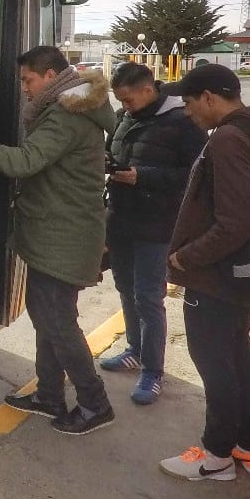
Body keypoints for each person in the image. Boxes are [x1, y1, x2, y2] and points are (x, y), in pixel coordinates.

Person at [0, 45, 116, 434]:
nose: (25, 89)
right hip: (54, 233)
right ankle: (49, 395)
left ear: (50, 77)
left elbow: (24, 161)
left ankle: (95, 403)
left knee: (59, 323)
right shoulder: (63, 109)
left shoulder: (67, 116)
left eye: (28, 80)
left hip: (64, 237)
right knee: (46, 317)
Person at [159, 64, 250, 481]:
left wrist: (185, 258)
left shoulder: (229, 139)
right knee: (239, 358)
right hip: (243, 270)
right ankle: (249, 447)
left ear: (210, 98)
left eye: (190, 102)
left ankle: (215, 457)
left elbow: (234, 222)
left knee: (215, 364)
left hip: (217, 273)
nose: (188, 111)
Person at [99, 64, 206, 405]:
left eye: (128, 98)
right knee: (125, 289)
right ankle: (134, 349)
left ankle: (153, 371)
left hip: (157, 224)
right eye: (121, 100)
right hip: (122, 218)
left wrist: (142, 176)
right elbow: (117, 154)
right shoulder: (124, 117)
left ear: (148, 90)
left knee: (148, 295)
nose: (124, 105)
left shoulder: (184, 122)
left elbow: (194, 176)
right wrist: (109, 164)